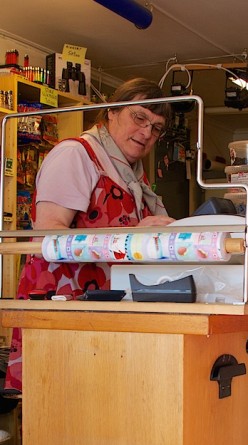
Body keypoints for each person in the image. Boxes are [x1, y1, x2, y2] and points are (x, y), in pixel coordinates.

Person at [4, 78, 174, 395]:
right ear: (111, 112)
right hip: (63, 313)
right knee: (58, 414)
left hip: (102, 317)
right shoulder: (76, 155)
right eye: (139, 117)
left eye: (157, 127)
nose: (147, 132)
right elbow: (48, 237)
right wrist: (130, 238)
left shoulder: (132, 175)